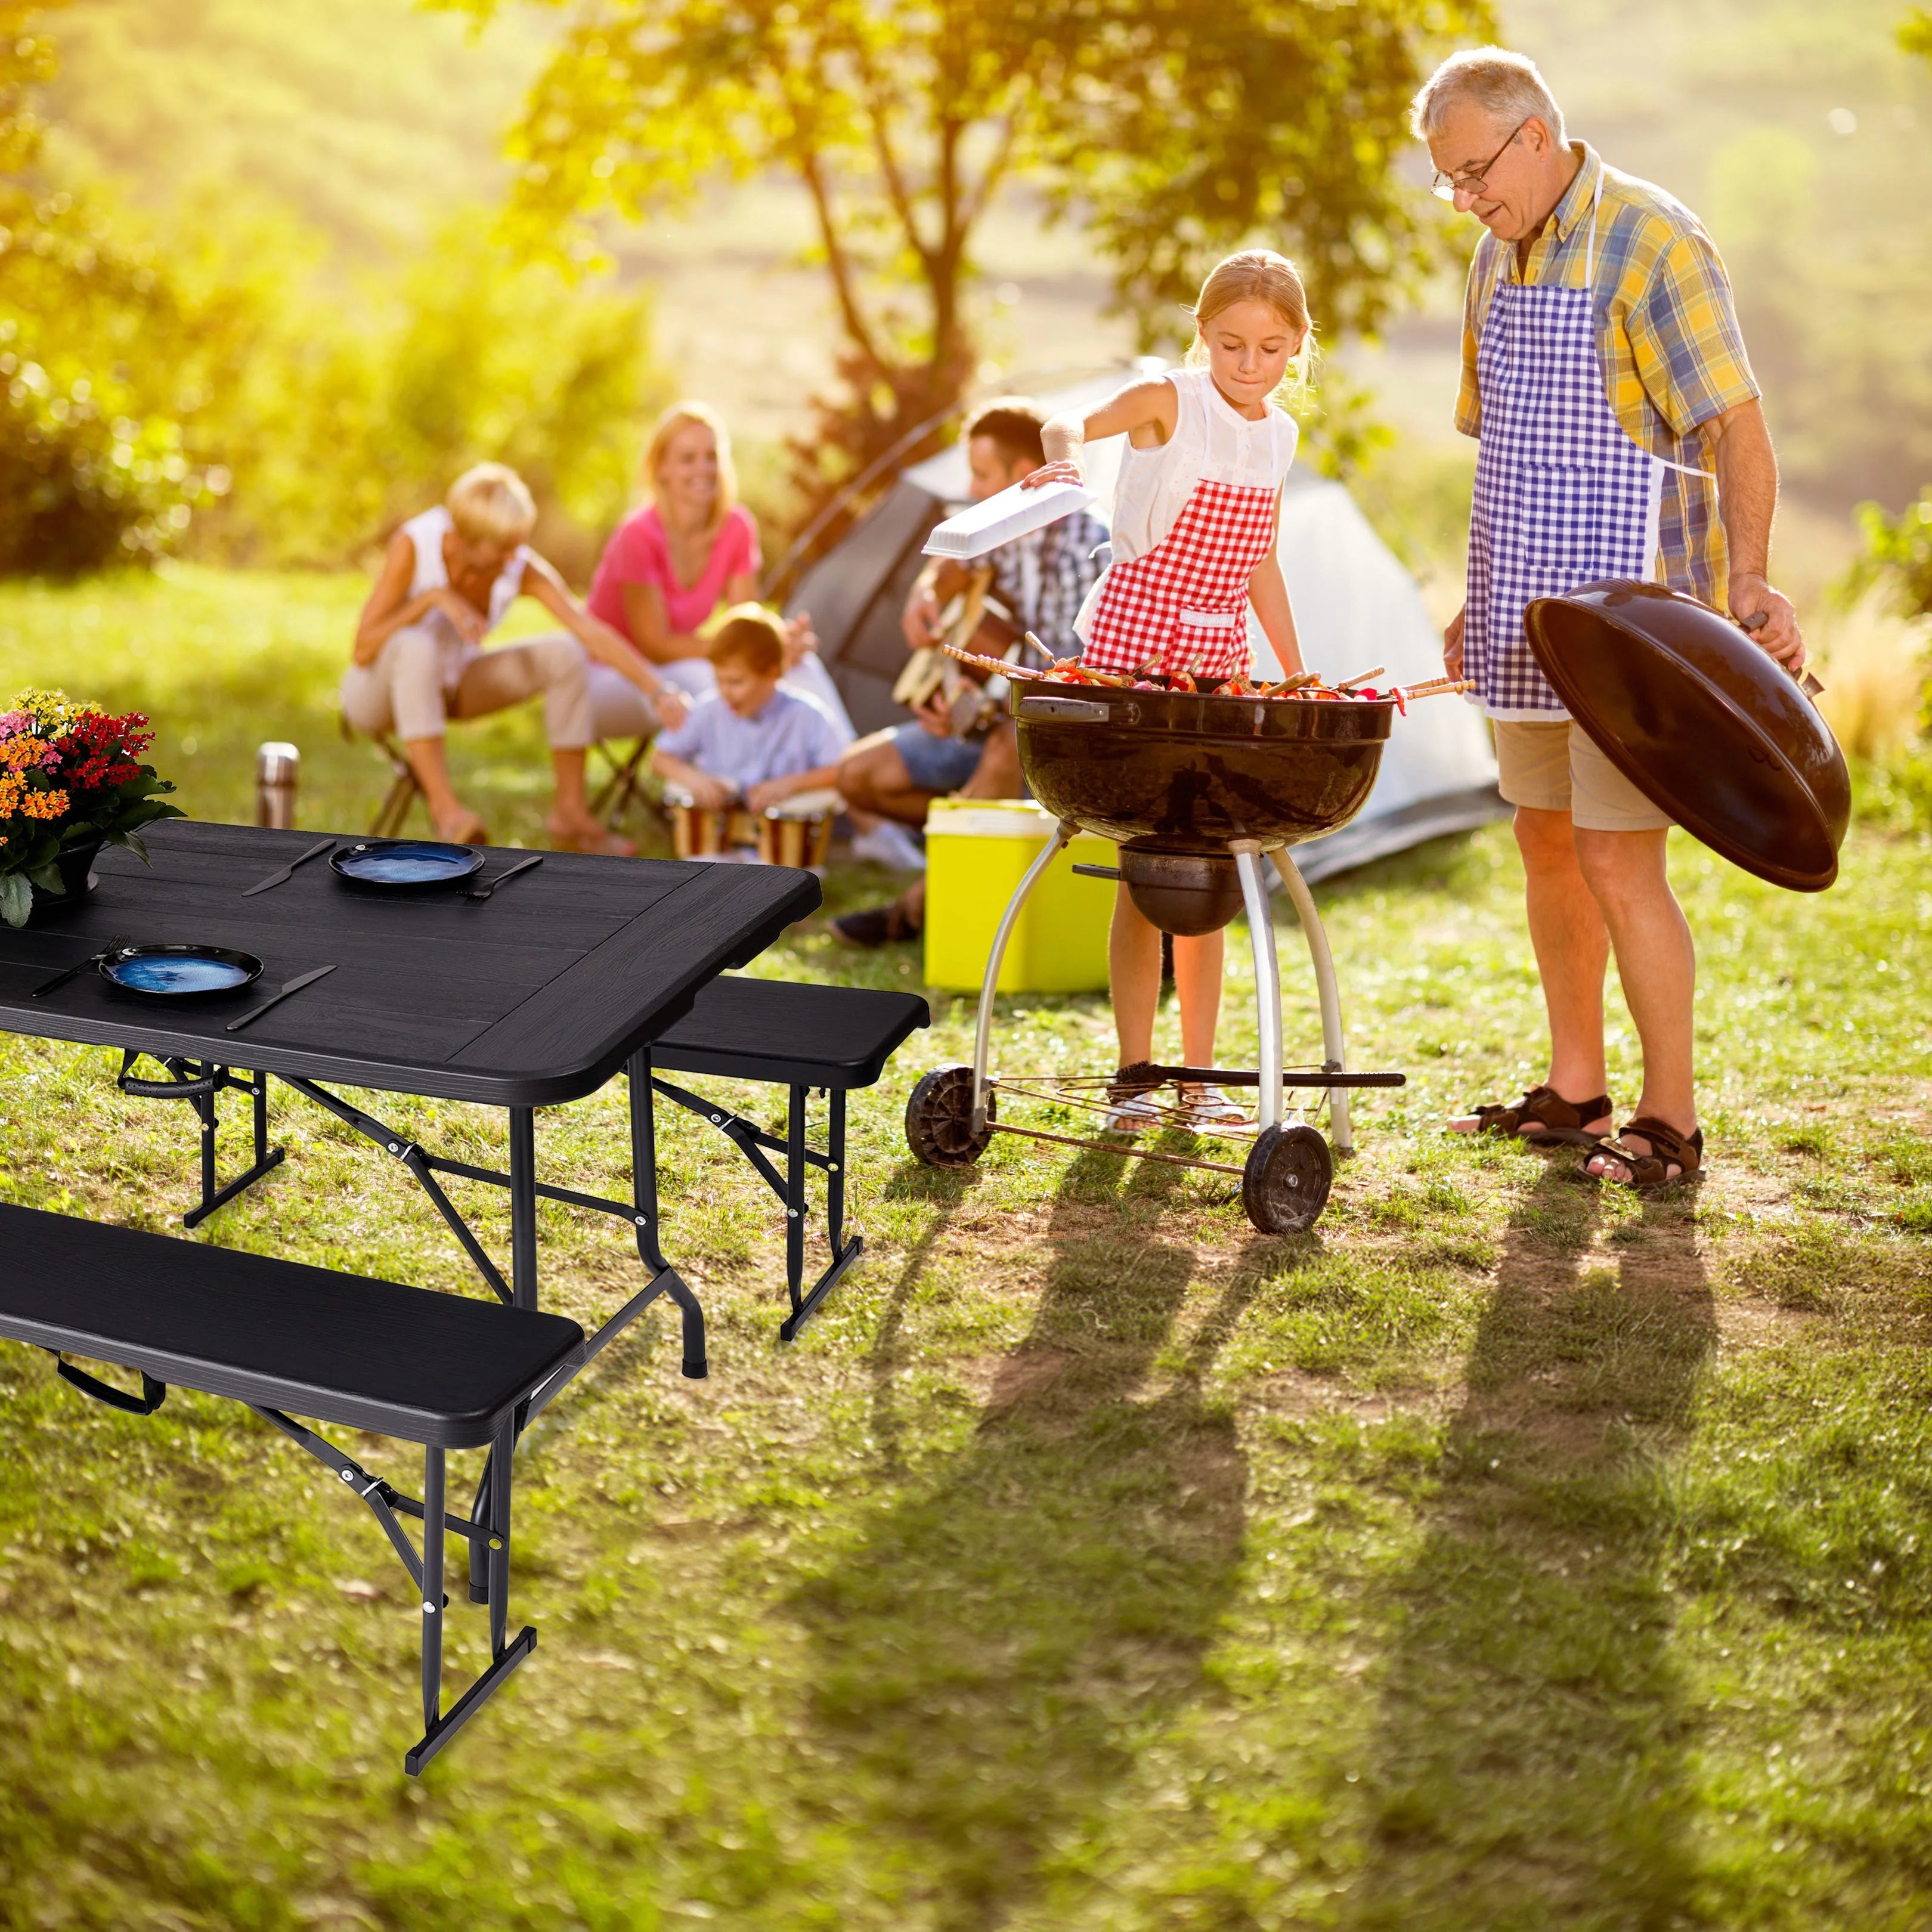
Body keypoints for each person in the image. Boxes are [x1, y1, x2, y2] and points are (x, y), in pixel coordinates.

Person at [1415, 48, 1805, 1188]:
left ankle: (1668, 1121)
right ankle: (1577, 1091)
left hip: (1636, 627)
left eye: (1475, 172)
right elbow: (1509, 454)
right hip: (1525, 613)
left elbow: (1738, 424)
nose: (1467, 199)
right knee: (1545, 843)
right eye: (1448, 182)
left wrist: (1750, 580)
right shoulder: (1494, 256)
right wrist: (1473, 596)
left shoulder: (1653, 240)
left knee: (1620, 861)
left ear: (1536, 134)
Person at [1024, 250, 1312, 1131]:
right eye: (1230, 345)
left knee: (1212, 864)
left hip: (1217, 659)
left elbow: (1256, 557)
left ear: (1297, 346)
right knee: (1145, 867)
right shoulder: (1167, 400)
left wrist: (1294, 670)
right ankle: (1136, 1074)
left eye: (1269, 349)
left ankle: (1199, 1078)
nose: (1248, 366)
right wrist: (1067, 462)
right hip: (1133, 650)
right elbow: (1064, 419)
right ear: (1202, 334)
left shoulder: (1280, 435)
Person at [831, 397, 1109, 945]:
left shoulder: (1089, 544)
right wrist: (925, 594)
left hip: (1056, 734)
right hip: (997, 718)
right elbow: (954, 567)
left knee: (1007, 748)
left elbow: (1081, 676)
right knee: (856, 777)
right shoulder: (1000, 526)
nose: (975, 489)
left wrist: (983, 705)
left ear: (1023, 475)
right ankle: (977, 838)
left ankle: (914, 911)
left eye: (982, 475)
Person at [343, 462, 685, 854]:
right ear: (462, 539)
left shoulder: (517, 565)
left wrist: (658, 691)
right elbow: (363, 647)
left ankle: (570, 816)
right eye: (503, 548)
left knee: (564, 651)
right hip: (374, 697)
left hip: (452, 687)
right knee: (418, 645)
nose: (513, 558)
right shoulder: (415, 546)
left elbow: (588, 630)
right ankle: (447, 814)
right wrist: (433, 599)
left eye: (518, 544)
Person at [584, 400, 854, 739]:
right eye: (688, 458)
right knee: (714, 686)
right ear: (661, 469)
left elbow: (745, 620)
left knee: (801, 669)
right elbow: (655, 645)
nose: (704, 468)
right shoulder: (637, 535)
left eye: (711, 456)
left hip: (680, 668)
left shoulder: (736, 526)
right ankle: (742, 786)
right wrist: (744, 650)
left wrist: (776, 642)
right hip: (615, 676)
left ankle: (847, 773)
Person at [649, 607, 846, 847]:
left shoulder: (808, 715)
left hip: (778, 848)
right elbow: (659, 759)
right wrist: (693, 778)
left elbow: (840, 771)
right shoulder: (709, 709)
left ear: (773, 673)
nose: (726, 692)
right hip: (718, 844)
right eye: (719, 680)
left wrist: (791, 784)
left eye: (736, 681)